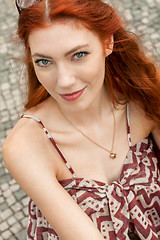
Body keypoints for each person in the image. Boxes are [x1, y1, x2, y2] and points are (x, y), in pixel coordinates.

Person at [2, 0, 160, 239]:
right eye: (44, 61)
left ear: (108, 42)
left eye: (78, 55)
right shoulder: (26, 146)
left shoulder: (143, 94)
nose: (64, 81)